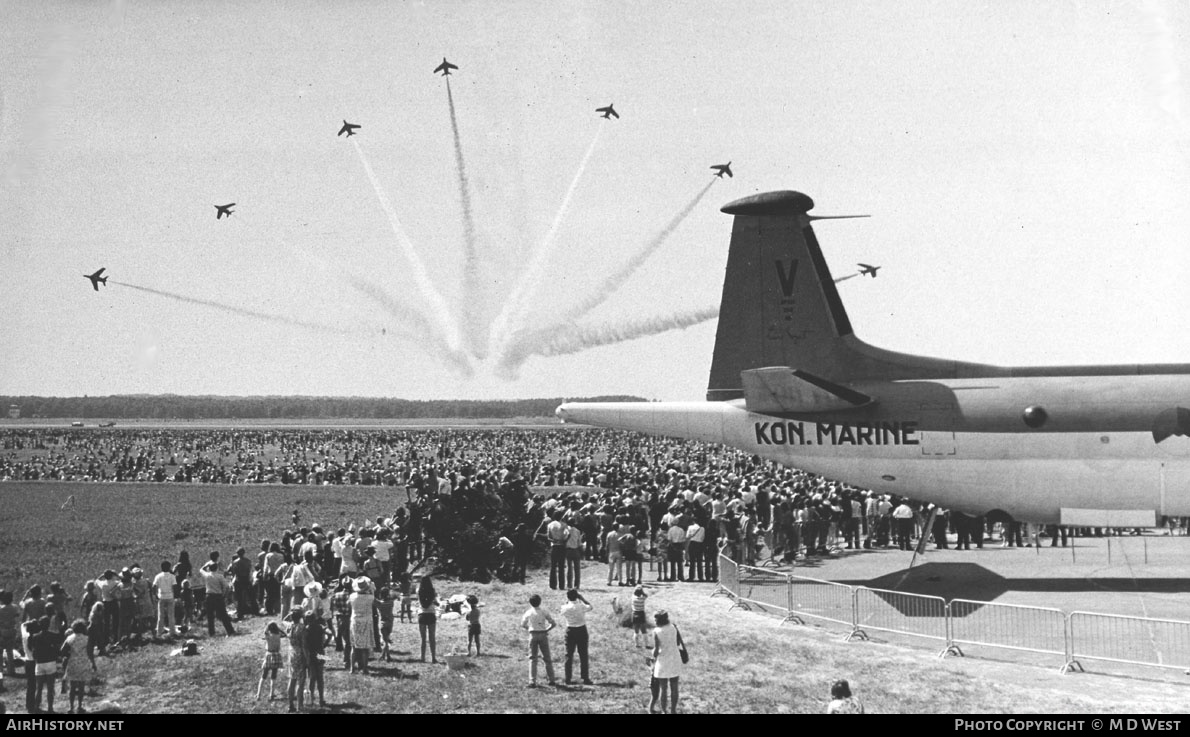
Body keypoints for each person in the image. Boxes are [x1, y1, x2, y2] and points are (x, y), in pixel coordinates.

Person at [647, 610, 684, 714]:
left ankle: (664, 711)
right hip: (675, 658)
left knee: (663, 689)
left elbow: (656, 651)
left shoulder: (657, 631)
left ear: (659, 620)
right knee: (674, 687)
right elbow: (676, 642)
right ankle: (673, 710)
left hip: (663, 661)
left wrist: (652, 654)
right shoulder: (673, 627)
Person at [520, 593, 557, 687]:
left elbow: (523, 624)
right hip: (543, 634)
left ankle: (532, 681)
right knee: (547, 658)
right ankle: (551, 679)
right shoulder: (544, 611)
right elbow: (553, 623)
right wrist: (546, 629)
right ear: (540, 602)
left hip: (533, 634)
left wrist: (529, 628)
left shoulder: (529, 612)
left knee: (533, 658)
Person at [29, 616, 64, 714]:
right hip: (50, 662)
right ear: (48, 624)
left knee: (39, 687)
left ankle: (36, 707)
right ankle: (50, 708)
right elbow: (59, 645)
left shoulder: (35, 636)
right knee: (50, 687)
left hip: (39, 663)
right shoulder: (52, 635)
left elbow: (32, 649)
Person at [559, 589, 593, 685]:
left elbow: (562, 610)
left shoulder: (565, 607)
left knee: (568, 654)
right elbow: (590, 606)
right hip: (581, 629)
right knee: (583, 654)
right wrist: (582, 598)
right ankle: (585, 677)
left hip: (570, 630)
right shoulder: (581, 606)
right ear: (577, 596)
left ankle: (568, 678)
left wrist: (568, 601)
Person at [60, 619, 95, 714]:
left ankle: (71, 707)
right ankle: (79, 706)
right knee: (81, 686)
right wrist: (93, 664)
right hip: (83, 663)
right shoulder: (87, 639)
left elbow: (62, 650)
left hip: (73, 663)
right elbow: (90, 653)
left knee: (72, 687)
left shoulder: (70, 638)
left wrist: (68, 654)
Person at [200, 555, 236, 637]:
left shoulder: (207, 575)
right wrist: (224, 595)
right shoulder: (220, 576)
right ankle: (230, 630)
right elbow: (226, 587)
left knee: (210, 616)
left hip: (209, 596)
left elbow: (201, 570)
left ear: (210, 568)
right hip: (218, 596)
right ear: (217, 568)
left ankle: (211, 633)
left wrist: (206, 565)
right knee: (223, 615)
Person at [348, 578, 376, 674]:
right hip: (366, 621)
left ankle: (352, 668)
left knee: (354, 646)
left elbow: (349, 606)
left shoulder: (352, 596)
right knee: (365, 647)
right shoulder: (370, 597)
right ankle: (364, 668)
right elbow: (374, 602)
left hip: (355, 620)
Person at [284, 610, 307, 712]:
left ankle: (290, 705)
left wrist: (290, 615)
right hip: (300, 653)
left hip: (291, 652)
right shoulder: (302, 628)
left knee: (292, 679)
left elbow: (283, 620)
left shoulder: (288, 626)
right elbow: (304, 645)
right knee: (301, 681)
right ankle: (300, 705)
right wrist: (307, 658)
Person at [303, 612, 327, 708]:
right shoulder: (320, 627)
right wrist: (323, 645)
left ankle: (311, 699)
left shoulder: (306, 629)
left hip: (311, 654)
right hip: (320, 653)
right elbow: (328, 635)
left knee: (312, 677)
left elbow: (304, 644)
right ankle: (321, 699)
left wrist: (306, 657)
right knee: (320, 677)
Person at [257, 621, 283, 701]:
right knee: (273, 676)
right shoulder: (278, 635)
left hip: (269, 655)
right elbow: (284, 634)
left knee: (264, 675)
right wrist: (279, 629)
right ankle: (271, 694)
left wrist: (267, 627)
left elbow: (265, 632)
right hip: (276, 655)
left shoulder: (268, 636)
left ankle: (259, 694)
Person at [152, 561, 177, 638]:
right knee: (171, 615)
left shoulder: (158, 576)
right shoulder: (172, 576)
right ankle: (172, 632)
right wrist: (174, 595)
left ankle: (159, 632)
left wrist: (155, 595)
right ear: (169, 567)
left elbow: (153, 586)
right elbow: (175, 587)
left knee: (161, 615)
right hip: (170, 596)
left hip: (161, 596)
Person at [417, 576, 439, 664]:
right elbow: (436, 603)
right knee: (432, 638)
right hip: (431, 614)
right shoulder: (432, 591)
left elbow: (422, 602)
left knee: (423, 639)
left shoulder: (419, 590)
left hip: (422, 614)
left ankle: (422, 658)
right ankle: (433, 657)